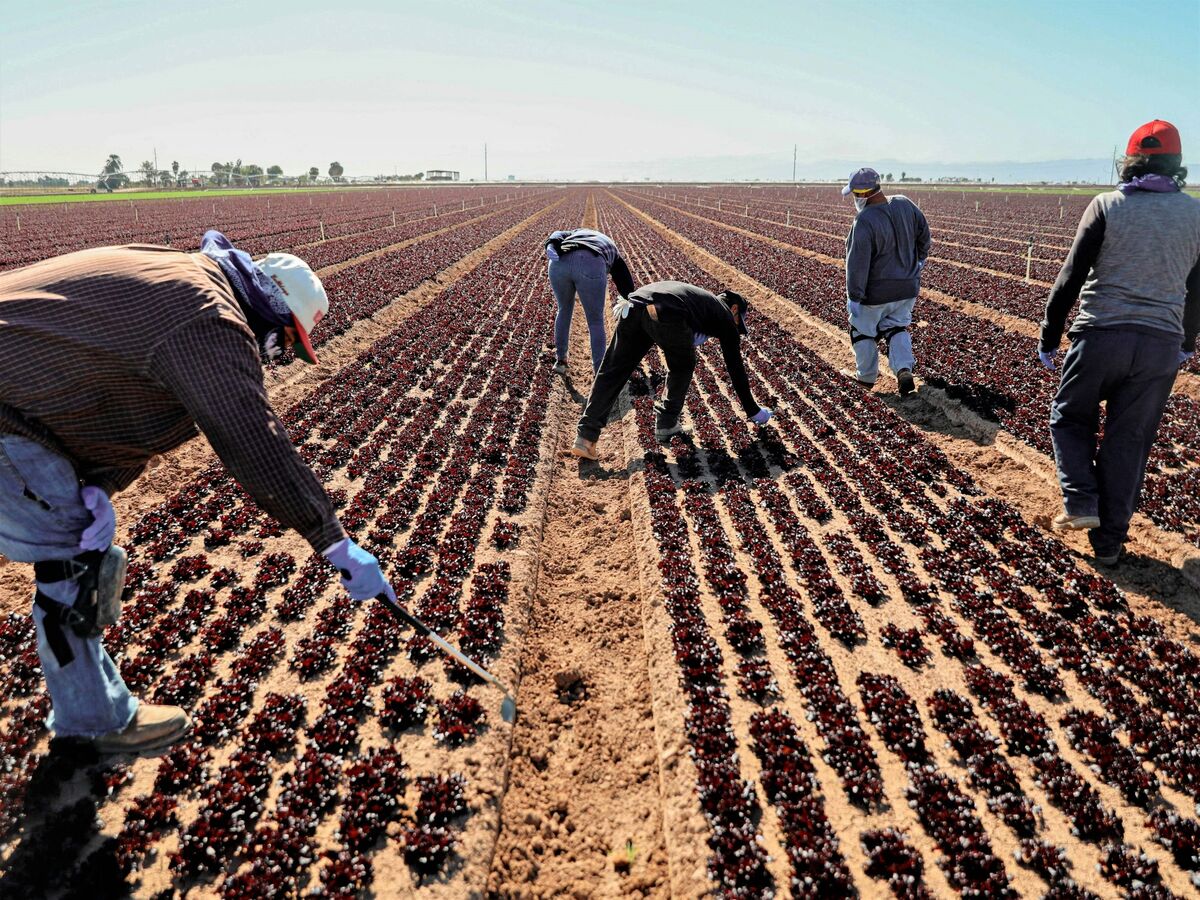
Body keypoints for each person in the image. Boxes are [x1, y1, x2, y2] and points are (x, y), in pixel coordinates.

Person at [0, 230, 395, 754]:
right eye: (286, 344)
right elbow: (250, 435)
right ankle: (93, 724)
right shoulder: (208, 317)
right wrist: (333, 540)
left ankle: (92, 713)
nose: (278, 360)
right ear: (270, 309)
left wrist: (99, 483)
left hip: (19, 411)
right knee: (73, 569)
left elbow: (114, 393)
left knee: (76, 555)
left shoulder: (187, 279)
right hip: (9, 421)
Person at [1039, 119, 1200, 566]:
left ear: (1128, 161)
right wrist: (1187, 341)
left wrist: (1051, 334)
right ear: (1177, 165)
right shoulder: (1196, 214)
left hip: (1101, 335)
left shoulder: (1107, 204)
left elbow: (1071, 276)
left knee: (1070, 419)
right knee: (1128, 440)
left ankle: (1081, 503)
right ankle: (1109, 543)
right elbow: (1197, 288)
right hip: (1159, 346)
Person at [570, 281, 772, 459]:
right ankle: (666, 423)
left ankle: (585, 438)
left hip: (634, 305)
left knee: (613, 369)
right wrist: (753, 411)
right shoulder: (725, 314)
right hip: (665, 311)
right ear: (735, 309)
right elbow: (735, 368)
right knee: (682, 365)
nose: (736, 328)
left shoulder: (701, 300)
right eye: (739, 323)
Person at [841, 167, 931, 397]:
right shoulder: (904, 203)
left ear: (862, 195)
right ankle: (903, 369)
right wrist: (919, 259)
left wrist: (855, 296)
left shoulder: (863, 221)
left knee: (862, 332)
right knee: (896, 328)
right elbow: (924, 233)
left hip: (876, 292)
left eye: (854, 194)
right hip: (907, 287)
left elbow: (857, 264)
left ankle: (866, 378)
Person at [545, 228, 636, 374]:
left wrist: (550, 244)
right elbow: (626, 284)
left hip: (558, 263)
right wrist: (631, 300)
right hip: (590, 262)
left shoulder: (574, 233)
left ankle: (560, 361)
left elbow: (556, 234)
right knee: (595, 321)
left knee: (563, 309)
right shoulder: (611, 248)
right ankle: (599, 371)